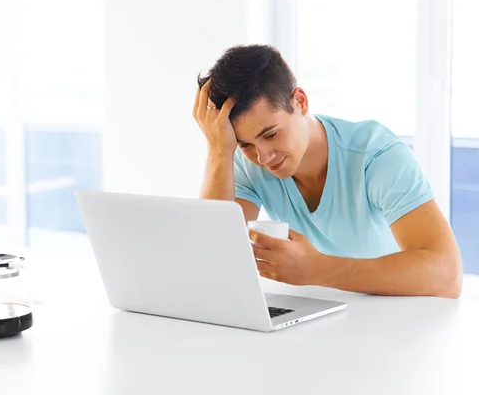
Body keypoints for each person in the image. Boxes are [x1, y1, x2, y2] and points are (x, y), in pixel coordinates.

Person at [193, 44, 462, 299]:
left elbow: (448, 275)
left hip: (392, 321)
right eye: (245, 144)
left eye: (271, 134)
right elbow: (212, 262)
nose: (264, 157)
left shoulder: (376, 155)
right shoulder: (247, 161)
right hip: (319, 320)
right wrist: (219, 150)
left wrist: (318, 269)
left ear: (300, 102)